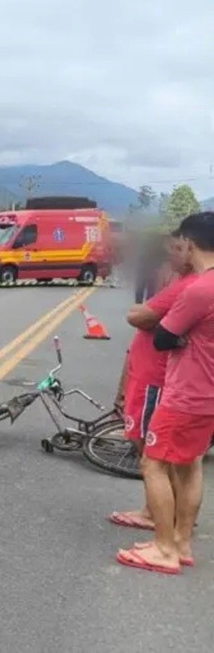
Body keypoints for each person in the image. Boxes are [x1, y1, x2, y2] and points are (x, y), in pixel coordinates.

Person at [117, 212, 214, 574]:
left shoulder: (199, 288)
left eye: (180, 244)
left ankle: (164, 548)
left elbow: (162, 336)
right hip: (207, 394)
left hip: (185, 392)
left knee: (153, 463)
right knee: (189, 465)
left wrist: (179, 335)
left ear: (189, 243)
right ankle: (182, 543)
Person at [108, 230, 195, 532]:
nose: (170, 254)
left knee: (153, 455)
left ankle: (162, 523)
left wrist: (146, 314)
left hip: (156, 378)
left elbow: (138, 316)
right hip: (149, 373)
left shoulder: (189, 286)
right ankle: (166, 518)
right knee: (158, 454)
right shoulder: (179, 281)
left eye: (178, 248)